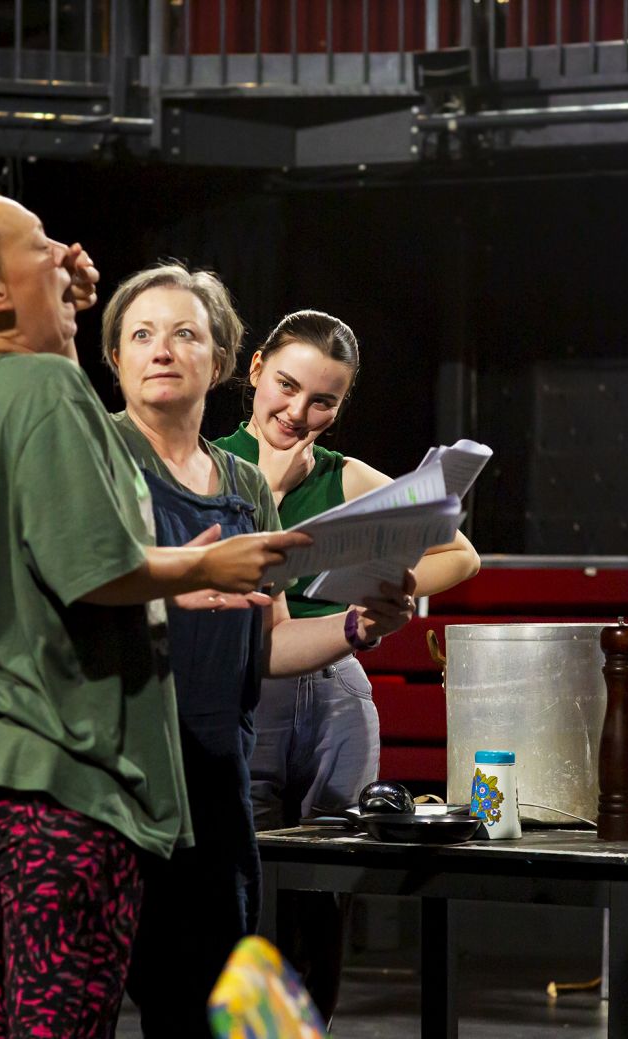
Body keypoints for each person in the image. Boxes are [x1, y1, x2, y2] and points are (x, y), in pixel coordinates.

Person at [0, 180, 308, 1038]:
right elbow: (88, 564)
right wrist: (206, 560)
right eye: (40, 244)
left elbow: (59, 527)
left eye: (184, 332)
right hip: (57, 779)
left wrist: (57, 316)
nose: (68, 257)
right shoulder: (49, 395)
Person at [97, 265, 418, 1039]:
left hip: (216, 771)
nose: (162, 351)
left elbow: (267, 642)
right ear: (115, 357)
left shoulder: (244, 483)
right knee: (91, 998)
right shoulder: (95, 453)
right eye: (141, 334)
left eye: (184, 333)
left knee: (213, 1006)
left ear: (217, 355)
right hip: (121, 772)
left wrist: (356, 628)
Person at [213, 309, 481, 1020]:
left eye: (323, 400)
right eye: (286, 386)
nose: (298, 412)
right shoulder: (211, 463)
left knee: (326, 889)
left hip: (337, 690)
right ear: (256, 367)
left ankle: (309, 1028)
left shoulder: (346, 474)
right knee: (245, 880)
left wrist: (399, 587)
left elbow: (462, 552)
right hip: (250, 688)